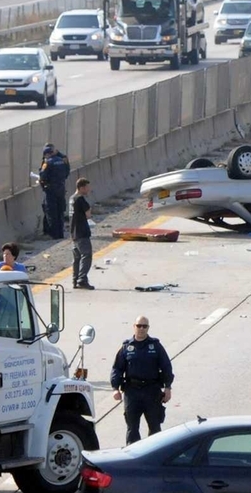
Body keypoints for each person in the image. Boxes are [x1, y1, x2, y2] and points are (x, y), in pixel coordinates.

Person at [109, 316, 174, 445]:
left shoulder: (155, 346)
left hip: (152, 391)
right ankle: (132, 457)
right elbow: (117, 368)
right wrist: (115, 389)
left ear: (148, 328)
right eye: (139, 326)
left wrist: (168, 387)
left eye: (145, 326)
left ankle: (155, 456)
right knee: (132, 428)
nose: (141, 329)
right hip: (132, 392)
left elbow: (166, 366)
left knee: (155, 427)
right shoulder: (126, 347)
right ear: (134, 327)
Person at [38, 143, 71, 239]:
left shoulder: (48, 162)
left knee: (51, 212)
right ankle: (60, 234)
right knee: (60, 212)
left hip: (50, 190)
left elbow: (42, 175)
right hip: (61, 188)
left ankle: (53, 235)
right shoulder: (62, 160)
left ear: (46, 154)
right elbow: (67, 172)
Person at [69, 178, 95, 290]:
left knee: (77, 258)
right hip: (82, 232)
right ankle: (82, 280)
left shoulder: (71, 198)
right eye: (87, 187)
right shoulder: (80, 199)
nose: (88, 189)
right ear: (81, 187)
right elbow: (88, 214)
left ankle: (75, 280)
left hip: (74, 233)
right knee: (86, 255)